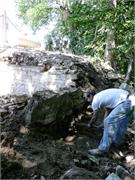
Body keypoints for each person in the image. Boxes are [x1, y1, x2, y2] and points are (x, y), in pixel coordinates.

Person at [85, 88, 134, 155]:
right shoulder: (101, 96)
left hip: (124, 102)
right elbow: (107, 111)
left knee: (109, 122)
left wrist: (89, 124)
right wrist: (103, 123)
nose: (87, 101)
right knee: (121, 123)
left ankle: (102, 149)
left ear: (90, 96)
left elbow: (94, 117)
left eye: (87, 99)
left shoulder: (95, 101)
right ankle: (116, 144)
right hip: (131, 100)